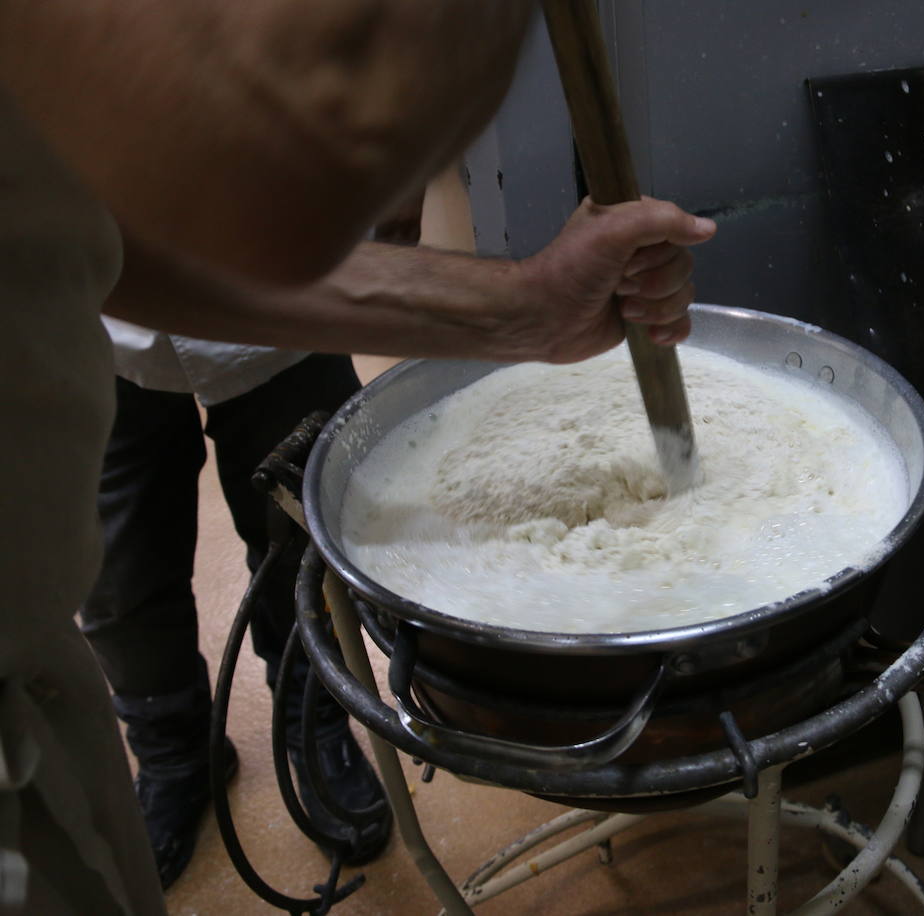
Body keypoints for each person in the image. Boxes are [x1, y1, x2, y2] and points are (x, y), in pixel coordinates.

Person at [0, 3, 716, 913]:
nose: (389, 216)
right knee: (122, 580)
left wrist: (523, 308)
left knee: (294, 542)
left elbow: (118, 242)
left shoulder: (44, 148)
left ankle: (310, 722)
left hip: (43, 742)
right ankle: (175, 751)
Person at [78, 325, 386, 890]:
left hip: (273, 294)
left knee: (305, 538)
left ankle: (313, 723)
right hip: (92, 315)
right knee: (116, 569)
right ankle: (174, 753)